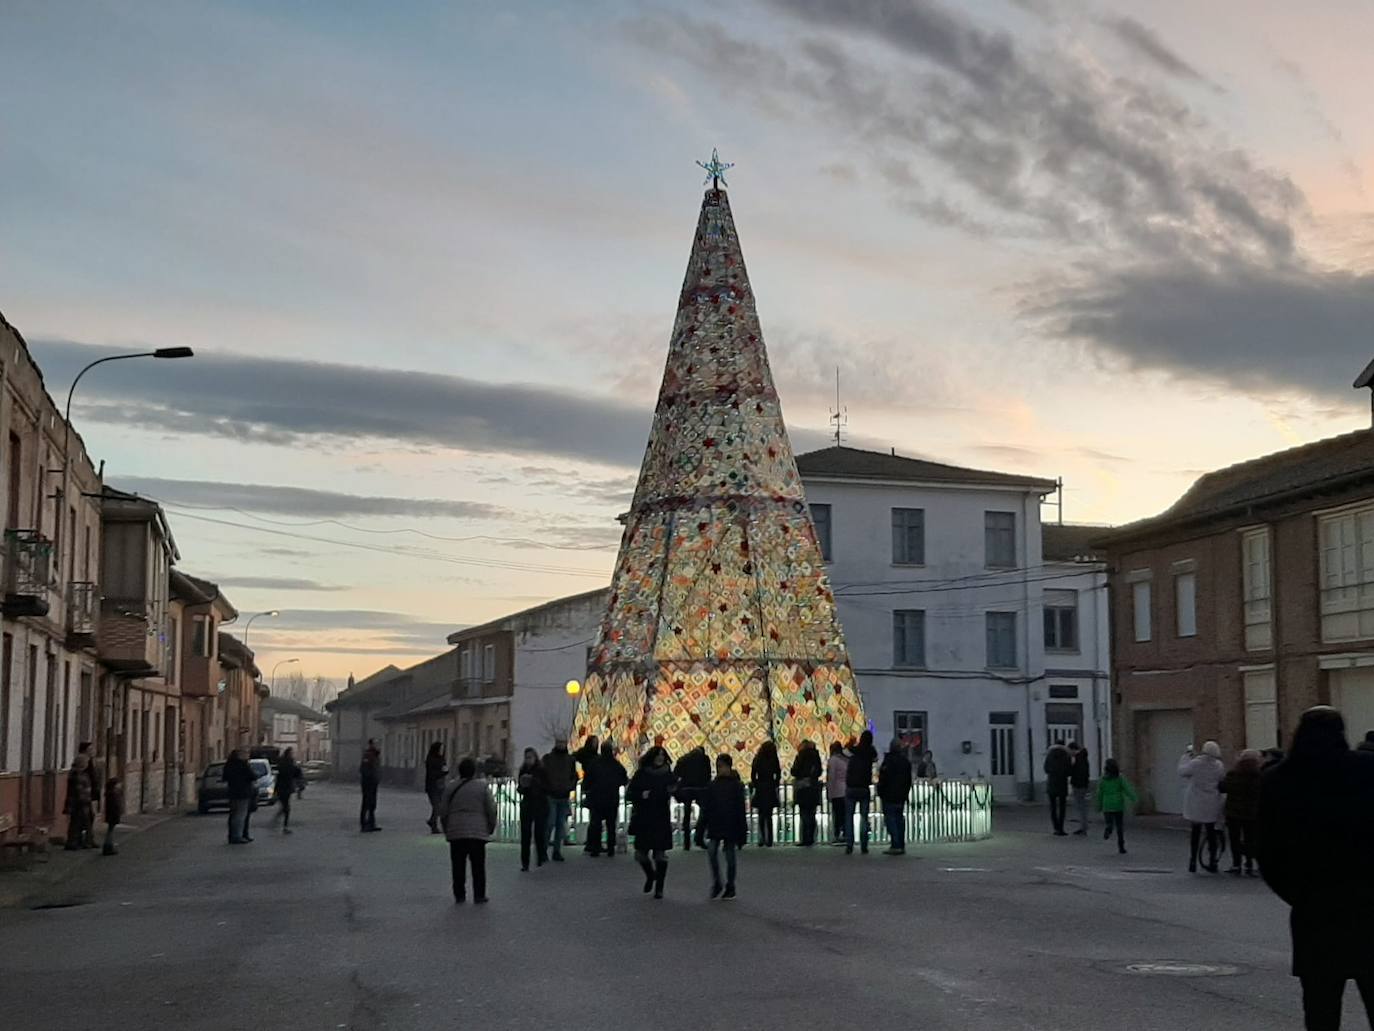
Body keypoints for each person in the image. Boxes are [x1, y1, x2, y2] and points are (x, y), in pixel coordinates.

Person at [1260, 706, 1374, 1030]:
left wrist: (1300, 895)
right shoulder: (1368, 770)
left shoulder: (1277, 780)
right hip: (1369, 907)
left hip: (1315, 912)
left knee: (1321, 1008)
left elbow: (1268, 853)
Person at [441, 757, 497, 904]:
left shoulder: (450, 787)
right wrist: (490, 827)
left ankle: (459, 894)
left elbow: (443, 810)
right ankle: (479, 894)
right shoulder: (483, 787)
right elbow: (491, 809)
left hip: (456, 831)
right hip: (478, 832)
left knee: (458, 865)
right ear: (474, 771)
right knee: (478, 865)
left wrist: (447, 829)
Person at [628, 745, 677, 899]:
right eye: (658, 755)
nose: (660, 757)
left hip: (661, 817)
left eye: (663, 755)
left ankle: (659, 888)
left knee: (660, 855)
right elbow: (630, 793)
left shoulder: (668, 774)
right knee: (640, 854)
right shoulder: (642, 774)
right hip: (644, 817)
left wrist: (676, 790)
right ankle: (650, 875)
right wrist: (642, 794)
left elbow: (677, 790)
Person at [703, 753, 746, 899]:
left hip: (727, 824)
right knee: (715, 852)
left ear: (728, 767)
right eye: (718, 766)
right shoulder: (714, 785)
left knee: (728, 855)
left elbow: (740, 809)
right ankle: (720, 882)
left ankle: (728, 884)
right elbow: (707, 808)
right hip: (720, 824)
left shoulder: (735, 786)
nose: (720, 769)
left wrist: (742, 831)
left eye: (721, 766)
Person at [1179, 741, 1225, 873]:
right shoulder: (1219, 765)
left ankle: (1193, 860)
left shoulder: (1196, 763)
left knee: (1195, 832)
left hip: (1196, 800)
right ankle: (1212, 861)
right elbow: (1221, 778)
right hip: (1211, 801)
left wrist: (1186, 757)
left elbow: (1182, 771)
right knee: (1211, 831)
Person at [1222, 749, 1262, 877]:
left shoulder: (1233, 774)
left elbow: (1223, 788)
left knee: (1234, 839)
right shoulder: (1259, 776)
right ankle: (1249, 864)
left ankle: (1236, 864)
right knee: (1250, 838)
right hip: (1252, 812)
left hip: (1233, 812)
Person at [585, 741, 627, 858]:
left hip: (597, 798)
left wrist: (588, 790)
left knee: (596, 825)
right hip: (611, 798)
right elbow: (624, 779)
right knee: (611, 825)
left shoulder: (594, 764)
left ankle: (595, 848)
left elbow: (587, 780)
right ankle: (610, 849)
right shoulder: (616, 765)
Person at [542, 737, 577, 861]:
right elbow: (543, 775)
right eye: (559, 743)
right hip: (551, 795)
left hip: (563, 795)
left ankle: (556, 850)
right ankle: (544, 850)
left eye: (563, 742)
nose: (561, 745)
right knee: (550, 823)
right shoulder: (548, 759)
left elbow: (574, 776)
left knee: (560, 825)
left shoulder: (570, 760)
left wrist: (569, 786)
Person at [877, 738, 914, 855]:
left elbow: (882, 778)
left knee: (891, 819)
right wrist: (905, 793)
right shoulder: (905, 762)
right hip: (901, 795)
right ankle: (901, 844)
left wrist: (880, 791)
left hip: (888, 794)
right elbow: (908, 780)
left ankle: (895, 844)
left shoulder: (888, 761)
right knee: (899, 819)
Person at [845, 730, 878, 854]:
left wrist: (851, 743)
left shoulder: (855, 750)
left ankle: (849, 844)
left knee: (849, 816)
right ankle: (864, 845)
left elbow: (845, 752)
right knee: (864, 817)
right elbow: (876, 758)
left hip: (852, 786)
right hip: (864, 787)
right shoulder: (870, 752)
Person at [516, 747, 549, 871]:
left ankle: (540, 858)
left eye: (530, 757)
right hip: (527, 804)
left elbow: (546, 786)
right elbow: (520, 787)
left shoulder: (541, 770)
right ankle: (525, 862)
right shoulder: (523, 770)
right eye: (526, 758)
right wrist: (522, 786)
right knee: (525, 835)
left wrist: (533, 782)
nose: (528, 760)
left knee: (539, 834)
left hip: (539, 804)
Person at [673, 745, 711, 850]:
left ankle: (686, 843)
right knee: (704, 812)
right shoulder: (705, 759)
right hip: (701, 789)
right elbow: (708, 775)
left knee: (687, 815)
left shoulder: (683, 759)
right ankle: (699, 837)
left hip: (686, 789)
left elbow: (676, 774)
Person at [1096, 758, 1137, 854]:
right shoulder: (1120, 778)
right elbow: (1127, 788)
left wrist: (1099, 806)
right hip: (1118, 804)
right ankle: (1121, 846)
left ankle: (1108, 828)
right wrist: (1133, 798)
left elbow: (1100, 793)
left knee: (1109, 822)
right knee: (1120, 826)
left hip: (1107, 804)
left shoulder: (1103, 779)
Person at [791, 739, 823, 847]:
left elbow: (794, 771)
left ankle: (805, 837)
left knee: (804, 813)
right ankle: (812, 837)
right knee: (812, 813)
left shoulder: (800, 756)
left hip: (802, 788)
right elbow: (819, 771)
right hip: (813, 787)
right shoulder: (816, 757)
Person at [750, 740, 781, 847]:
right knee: (769, 816)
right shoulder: (774, 759)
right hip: (770, 787)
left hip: (761, 788)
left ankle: (762, 837)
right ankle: (770, 839)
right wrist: (775, 783)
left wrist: (756, 784)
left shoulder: (758, 759)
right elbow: (778, 772)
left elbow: (753, 774)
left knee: (761, 815)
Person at [64, 747, 96, 851]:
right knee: (77, 822)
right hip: (79, 802)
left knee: (83, 822)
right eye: (86, 762)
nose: (87, 763)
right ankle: (74, 842)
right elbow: (78, 790)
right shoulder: (77, 774)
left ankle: (83, 841)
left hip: (82, 801)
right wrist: (84, 800)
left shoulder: (82, 773)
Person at [574, 735, 601, 854]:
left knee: (595, 818)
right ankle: (592, 843)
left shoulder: (593, 756)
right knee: (595, 818)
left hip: (592, 786)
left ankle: (592, 842)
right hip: (592, 787)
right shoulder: (587, 755)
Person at [222, 750, 255, 844]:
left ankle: (232, 835)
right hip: (243, 792)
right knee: (240, 815)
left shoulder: (228, 765)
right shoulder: (243, 765)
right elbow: (252, 776)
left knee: (233, 815)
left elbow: (225, 777)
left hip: (232, 792)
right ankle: (237, 836)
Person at [1043, 741, 1072, 836]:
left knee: (1053, 807)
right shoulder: (1066, 755)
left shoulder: (1049, 755)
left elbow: (1046, 769)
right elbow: (1069, 771)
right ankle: (1061, 828)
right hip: (1062, 784)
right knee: (1062, 807)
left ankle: (1055, 827)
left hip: (1051, 783)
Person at [273, 748, 303, 834]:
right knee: (286, 807)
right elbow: (296, 773)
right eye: (292, 753)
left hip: (283, 788)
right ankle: (284, 826)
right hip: (285, 788)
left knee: (285, 806)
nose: (293, 754)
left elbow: (280, 777)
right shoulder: (288, 764)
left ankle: (280, 823)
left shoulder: (282, 763)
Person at [826, 742, 849, 845]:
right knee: (844, 814)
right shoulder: (845, 760)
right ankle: (846, 834)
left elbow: (831, 777)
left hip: (836, 791)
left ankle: (837, 834)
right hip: (845, 790)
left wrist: (829, 793)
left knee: (837, 814)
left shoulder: (833, 761)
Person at [424, 742, 447, 834]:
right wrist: (443, 772)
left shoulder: (441, 759)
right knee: (436, 805)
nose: (442, 751)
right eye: (440, 749)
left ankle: (433, 822)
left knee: (440, 806)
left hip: (441, 785)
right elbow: (432, 774)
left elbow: (444, 768)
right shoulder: (431, 759)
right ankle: (433, 823)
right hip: (432, 785)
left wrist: (445, 771)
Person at [359, 739, 382, 833]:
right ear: (371, 744)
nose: (378, 745)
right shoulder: (368, 755)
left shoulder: (376, 755)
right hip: (368, 783)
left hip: (374, 782)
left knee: (372, 804)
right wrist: (370, 778)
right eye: (376, 743)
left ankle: (371, 824)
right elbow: (363, 769)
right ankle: (364, 824)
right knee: (366, 803)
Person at [1069, 742, 1091, 836]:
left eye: (1070, 750)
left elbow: (1078, 772)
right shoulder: (1083, 757)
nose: (1070, 753)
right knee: (1082, 806)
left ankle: (1083, 827)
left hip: (1079, 785)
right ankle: (1083, 826)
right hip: (1083, 785)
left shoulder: (1078, 759)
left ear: (1073, 749)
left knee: (1080, 807)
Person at [101, 775, 123, 856]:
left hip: (111, 814)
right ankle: (108, 846)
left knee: (110, 830)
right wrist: (118, 813)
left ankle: (109, 846)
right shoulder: (114, 793)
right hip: (113, 814)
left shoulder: (110, 792)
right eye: (119, 783)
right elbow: (116, 805)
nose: (120, 785)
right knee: (110, 831)